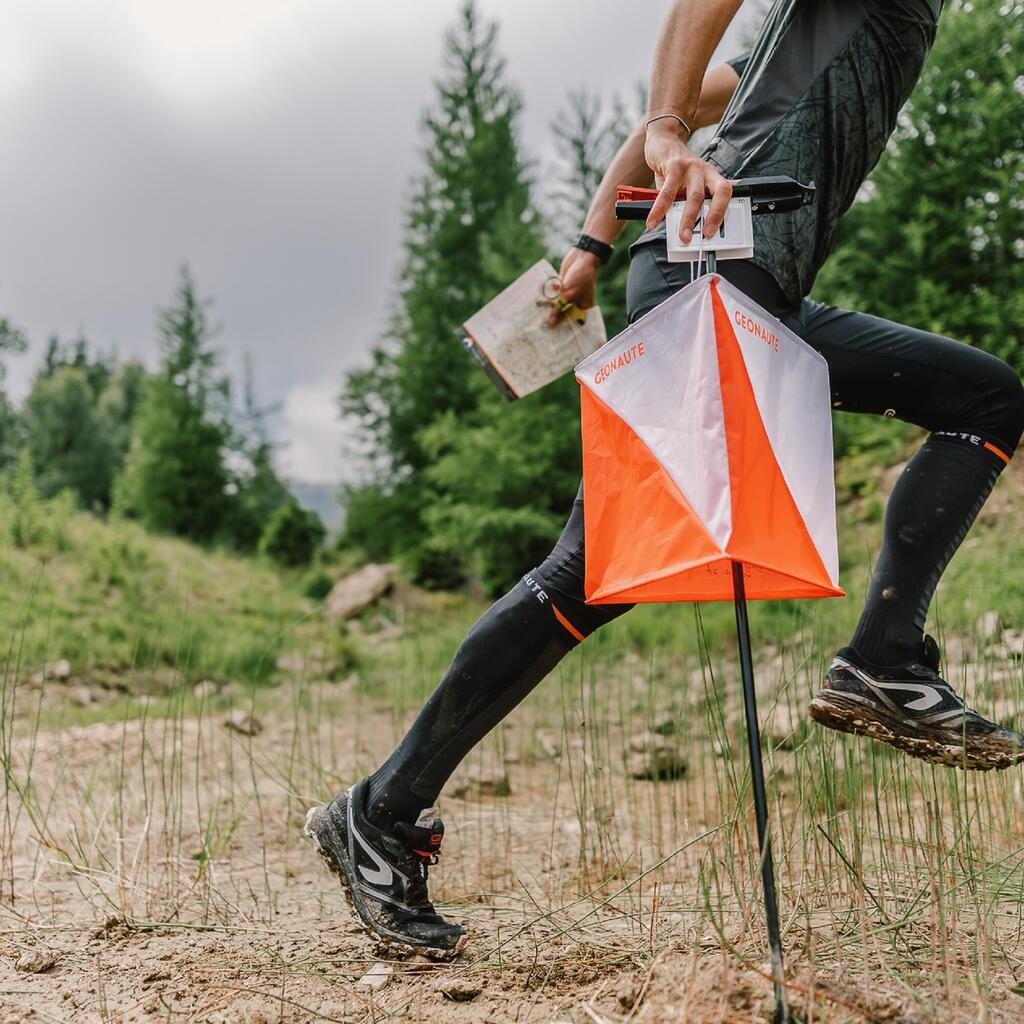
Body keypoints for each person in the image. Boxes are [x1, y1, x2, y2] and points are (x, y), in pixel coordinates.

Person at [306, 0, 1024, 956]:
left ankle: (884, 657)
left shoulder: (796, 40)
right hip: (710, 274)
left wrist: (593, 248)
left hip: (741, 276)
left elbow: (692, 97)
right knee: (593, 571)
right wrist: (663, 133)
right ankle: (381, 812)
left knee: (985, 400)